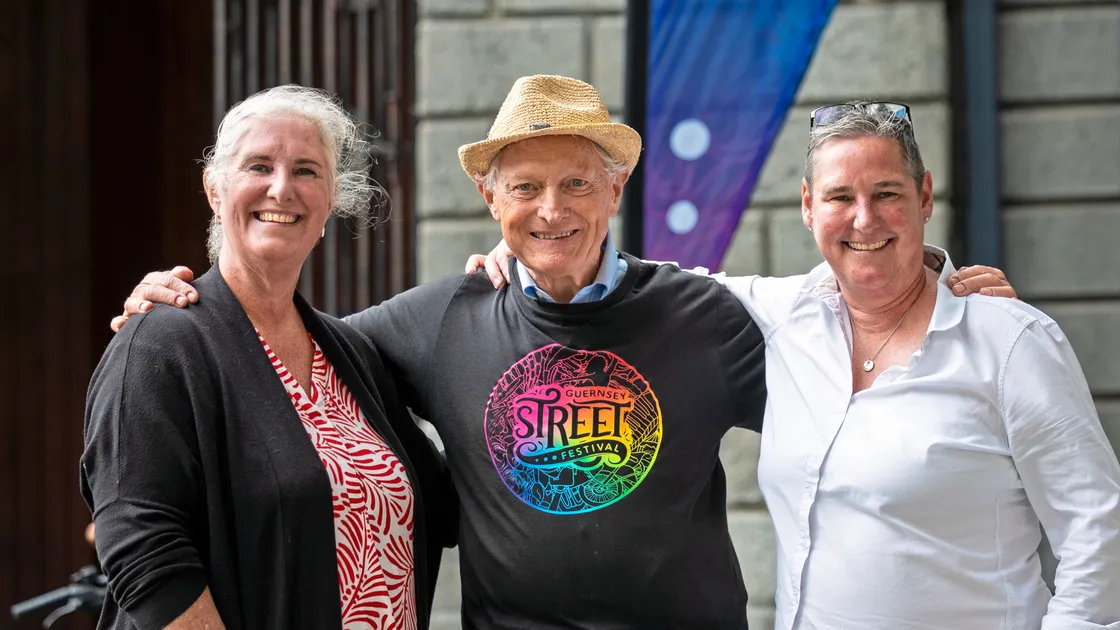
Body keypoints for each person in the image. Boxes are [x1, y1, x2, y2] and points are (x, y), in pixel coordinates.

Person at [108, 77, 1014, 629]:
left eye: (578, 182)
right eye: (526, 187)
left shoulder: (704, 313)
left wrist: (931, 292)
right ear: (491, 199)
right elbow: (270, 357)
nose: (552, 210)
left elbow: (849, 366)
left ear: (615, 189)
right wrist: (173, 313)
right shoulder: (436, 320)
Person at [472, 100, 1120, 629]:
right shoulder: (779, 316)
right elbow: (639, 283)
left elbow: (1098, 533)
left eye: (887, 193)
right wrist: (528, 252)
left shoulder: (1009, 342)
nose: (863, 219)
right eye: (840, 197)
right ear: (809, 206)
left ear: (924, 196)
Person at [82, 85, 457, 630]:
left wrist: (517, 278)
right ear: (215, 191)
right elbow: (141, 547)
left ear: (330, 200)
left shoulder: (352, 354)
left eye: (306, 171)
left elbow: (450, 503)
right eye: (259, 166)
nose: (282, 189)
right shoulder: (162, 344)